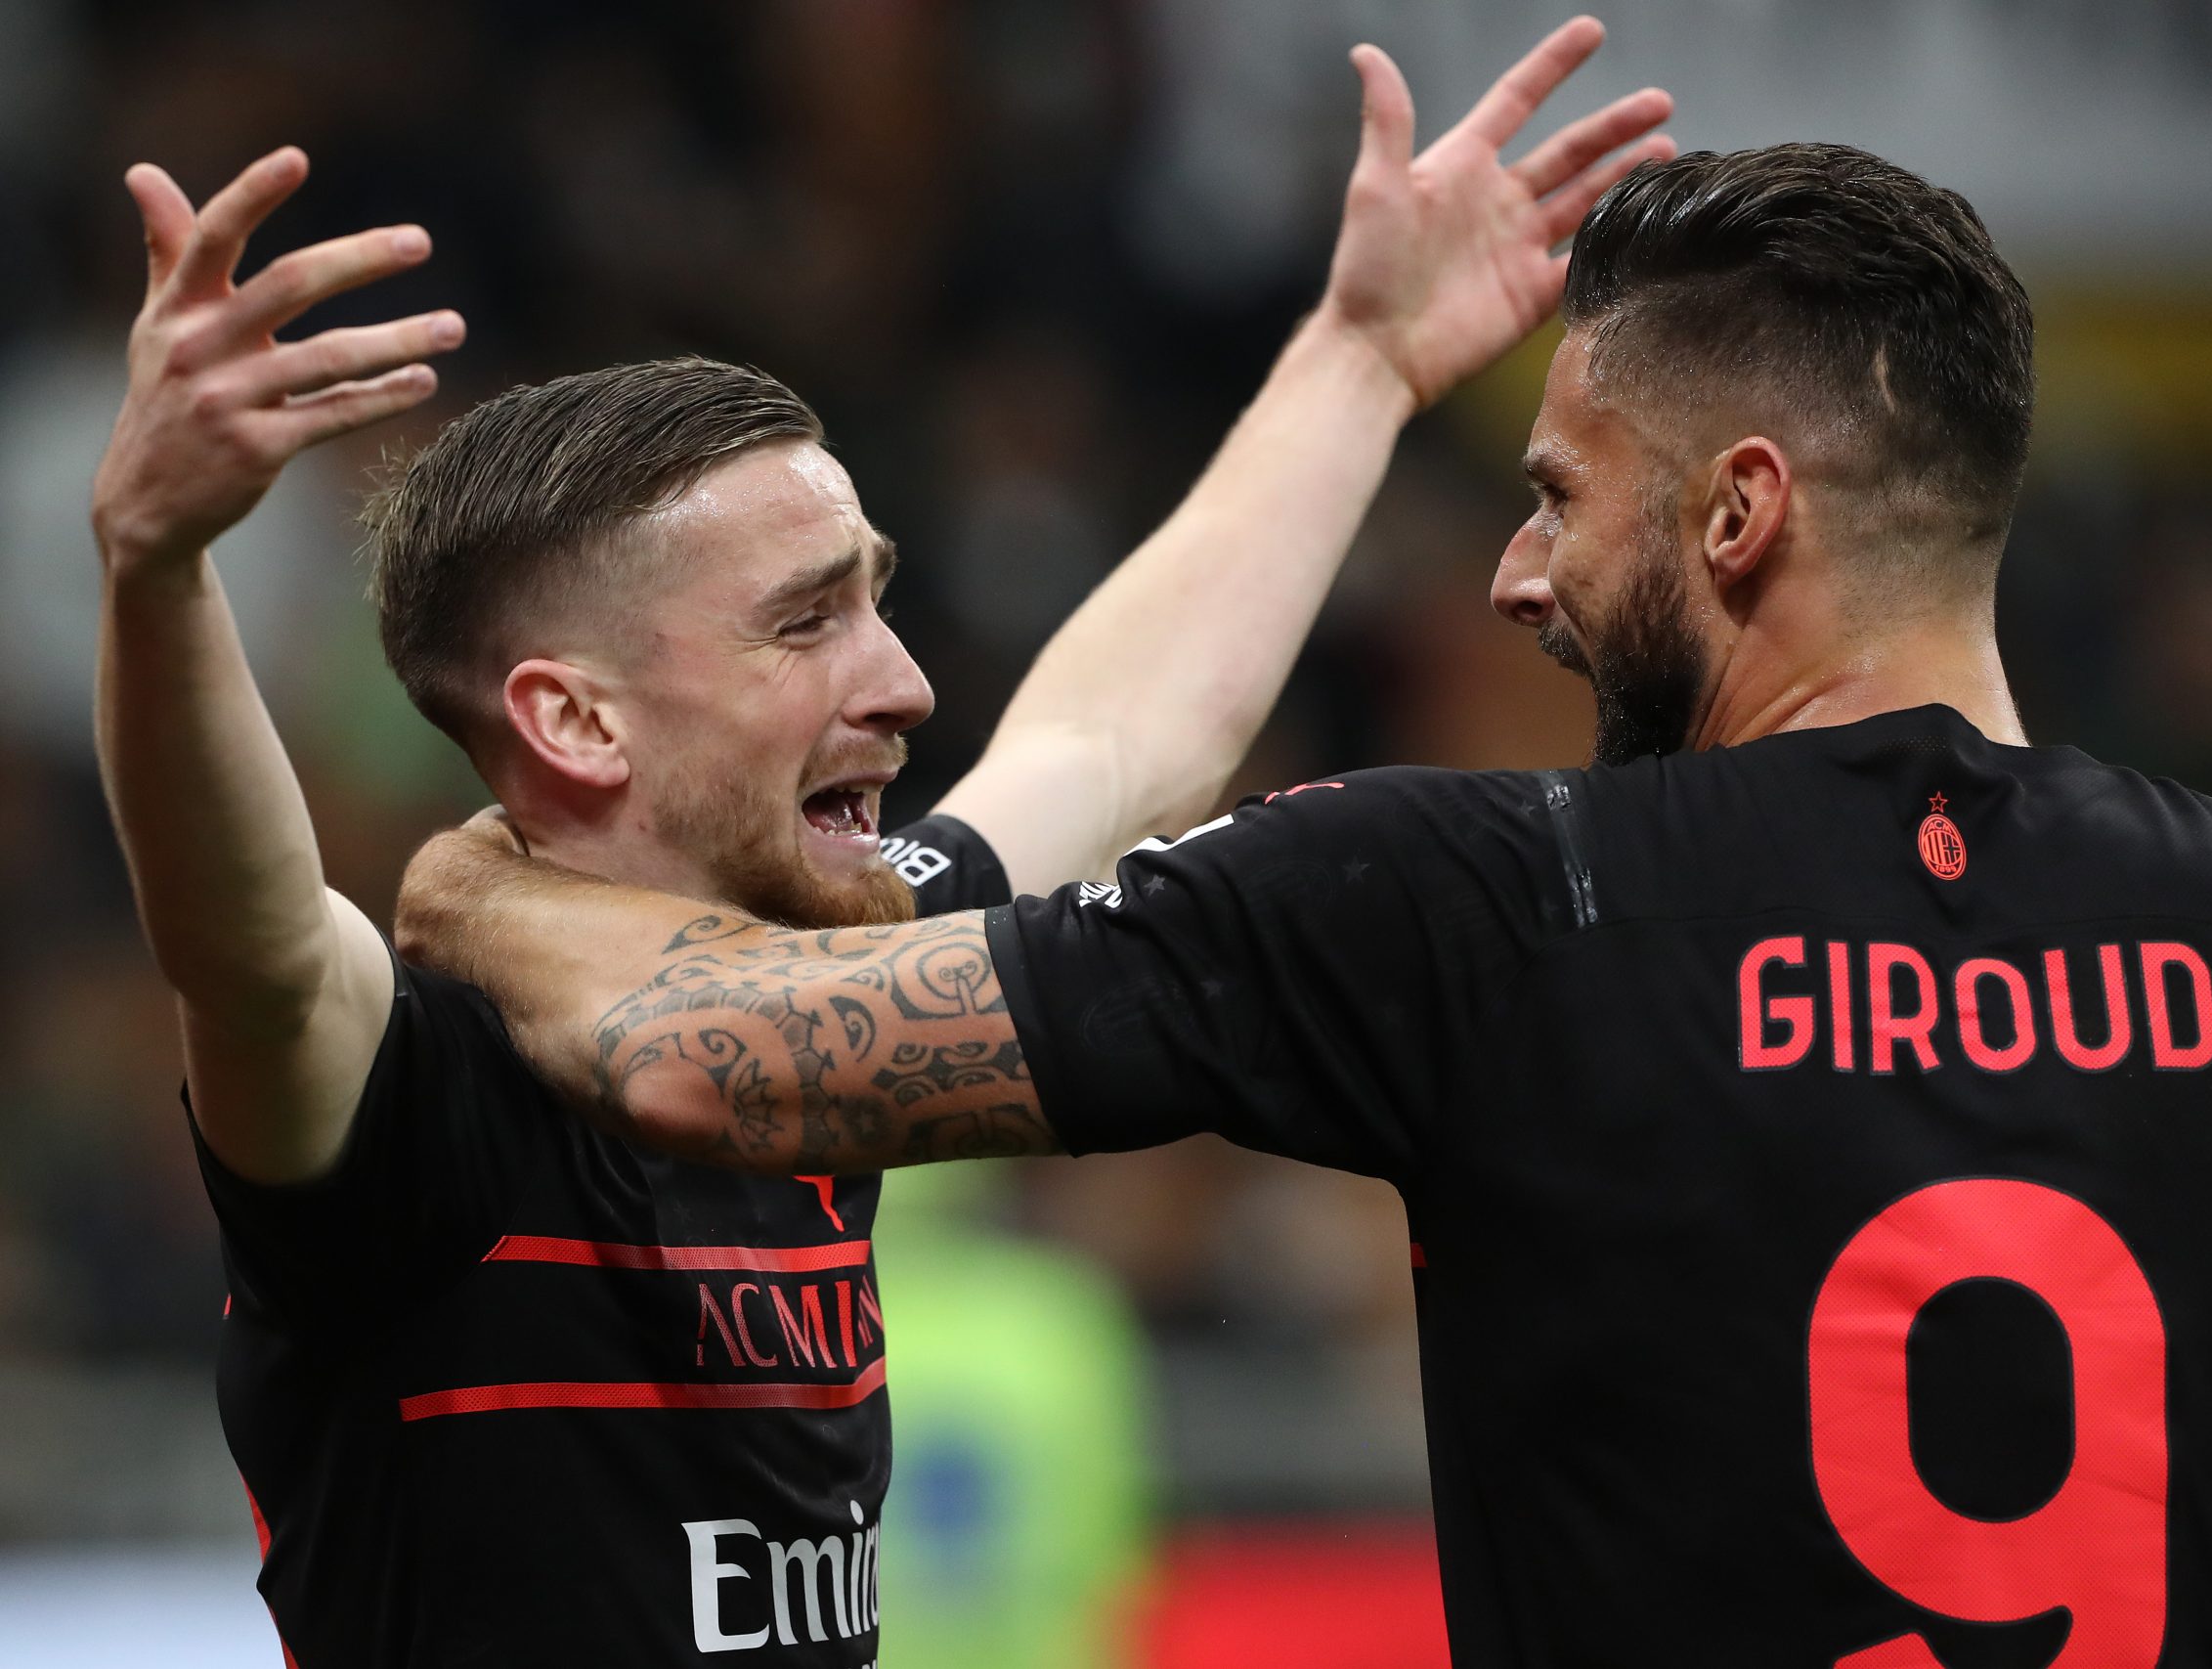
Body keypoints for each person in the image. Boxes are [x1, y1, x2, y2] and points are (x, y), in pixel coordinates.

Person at [404, 141, 2212, 1666]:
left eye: (1557, 498)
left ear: (1738, 514)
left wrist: (462, 880)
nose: (1514, 577)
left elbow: (705, 1058)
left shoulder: (1474, 901)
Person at [87, 19, 1672, 1663]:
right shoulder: (420, 1079)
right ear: (577, 720)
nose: (905, 685)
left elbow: (1121, 739)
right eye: (806, 623)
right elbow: (247, 943)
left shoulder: (844, 978)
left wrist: (1363, 356)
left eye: (878, 602)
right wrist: (159, 567)